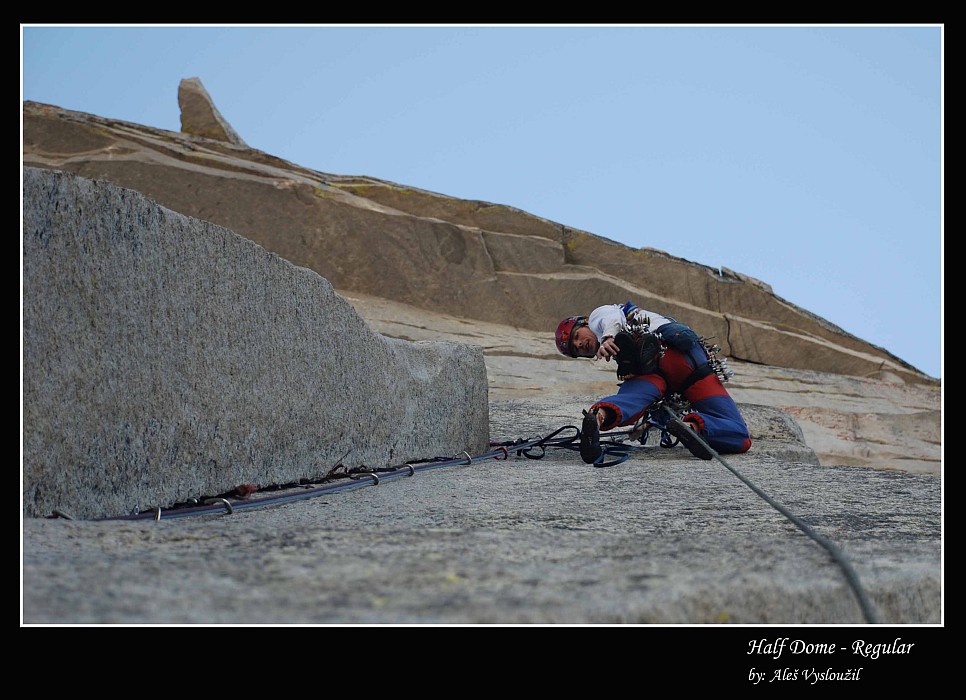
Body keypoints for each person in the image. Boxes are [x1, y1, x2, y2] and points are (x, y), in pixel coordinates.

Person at [555, 301, 752, 463]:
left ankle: (599, 415)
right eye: (577, 349)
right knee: (741, 437)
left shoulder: (599, 316)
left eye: (577, 336)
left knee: (634, 391)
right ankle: (691, 428)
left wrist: (607, 337)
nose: (579, 344)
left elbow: (611, 318)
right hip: (692, 371)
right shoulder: (608, 340)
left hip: (664, 352)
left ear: (586, 322)